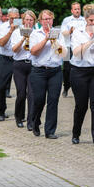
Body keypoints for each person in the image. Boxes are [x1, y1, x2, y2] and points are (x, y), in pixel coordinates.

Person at [70, 6, 94, 149]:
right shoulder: (78, 32)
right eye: (91, 20)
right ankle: (76, 133)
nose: (93, 23)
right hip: (80, 71)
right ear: (85, 20)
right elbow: (76, 53)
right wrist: (91, 40)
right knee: (81, 106)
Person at [29, 10, 66, 138]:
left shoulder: (59, 34)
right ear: (40, 21)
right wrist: (46, 39)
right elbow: (33, 51)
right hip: (39, 71)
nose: (47, 21)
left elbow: (63, 53)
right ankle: (35, 121)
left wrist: (55, 41)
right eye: (45, 19)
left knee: (53, 100)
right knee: (39, 100)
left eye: (49, 19)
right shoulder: (35, 33)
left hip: (55, 71)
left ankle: (50, 131)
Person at [10, 10, 36, 128]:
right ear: (23, 20)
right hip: (19, 65)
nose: (28, 22)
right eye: (27, 19)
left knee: (31, 94)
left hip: (32, 65)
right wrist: (23, 39)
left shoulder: (36, 33)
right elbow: (14, 50)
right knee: (21, 93)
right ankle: (18, 116)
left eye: (31, 20)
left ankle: (31, 121)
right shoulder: (16, 32)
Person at [0, 7, 20, 121]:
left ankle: (20, 114)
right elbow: (1, 43)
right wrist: (11, 31)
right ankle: (1, 111)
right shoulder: (3, 26)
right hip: (6, 59)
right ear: (8, 17)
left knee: (21, 88)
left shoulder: (22, 27)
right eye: (11, 18)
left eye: (16, 18)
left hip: (17, 59)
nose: (13, 20)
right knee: (1, 87)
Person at [60, 2, 86, 98]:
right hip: (68, 47)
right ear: (72, 10)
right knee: (66, 69)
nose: (77, 10)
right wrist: (70, 31)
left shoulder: (84, 20)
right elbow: (63, 33)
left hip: (80, 47)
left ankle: (79, 88)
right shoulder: (67, 20)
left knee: (79, 68)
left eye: (78, 9)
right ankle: (66, 87)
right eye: (75, 9)